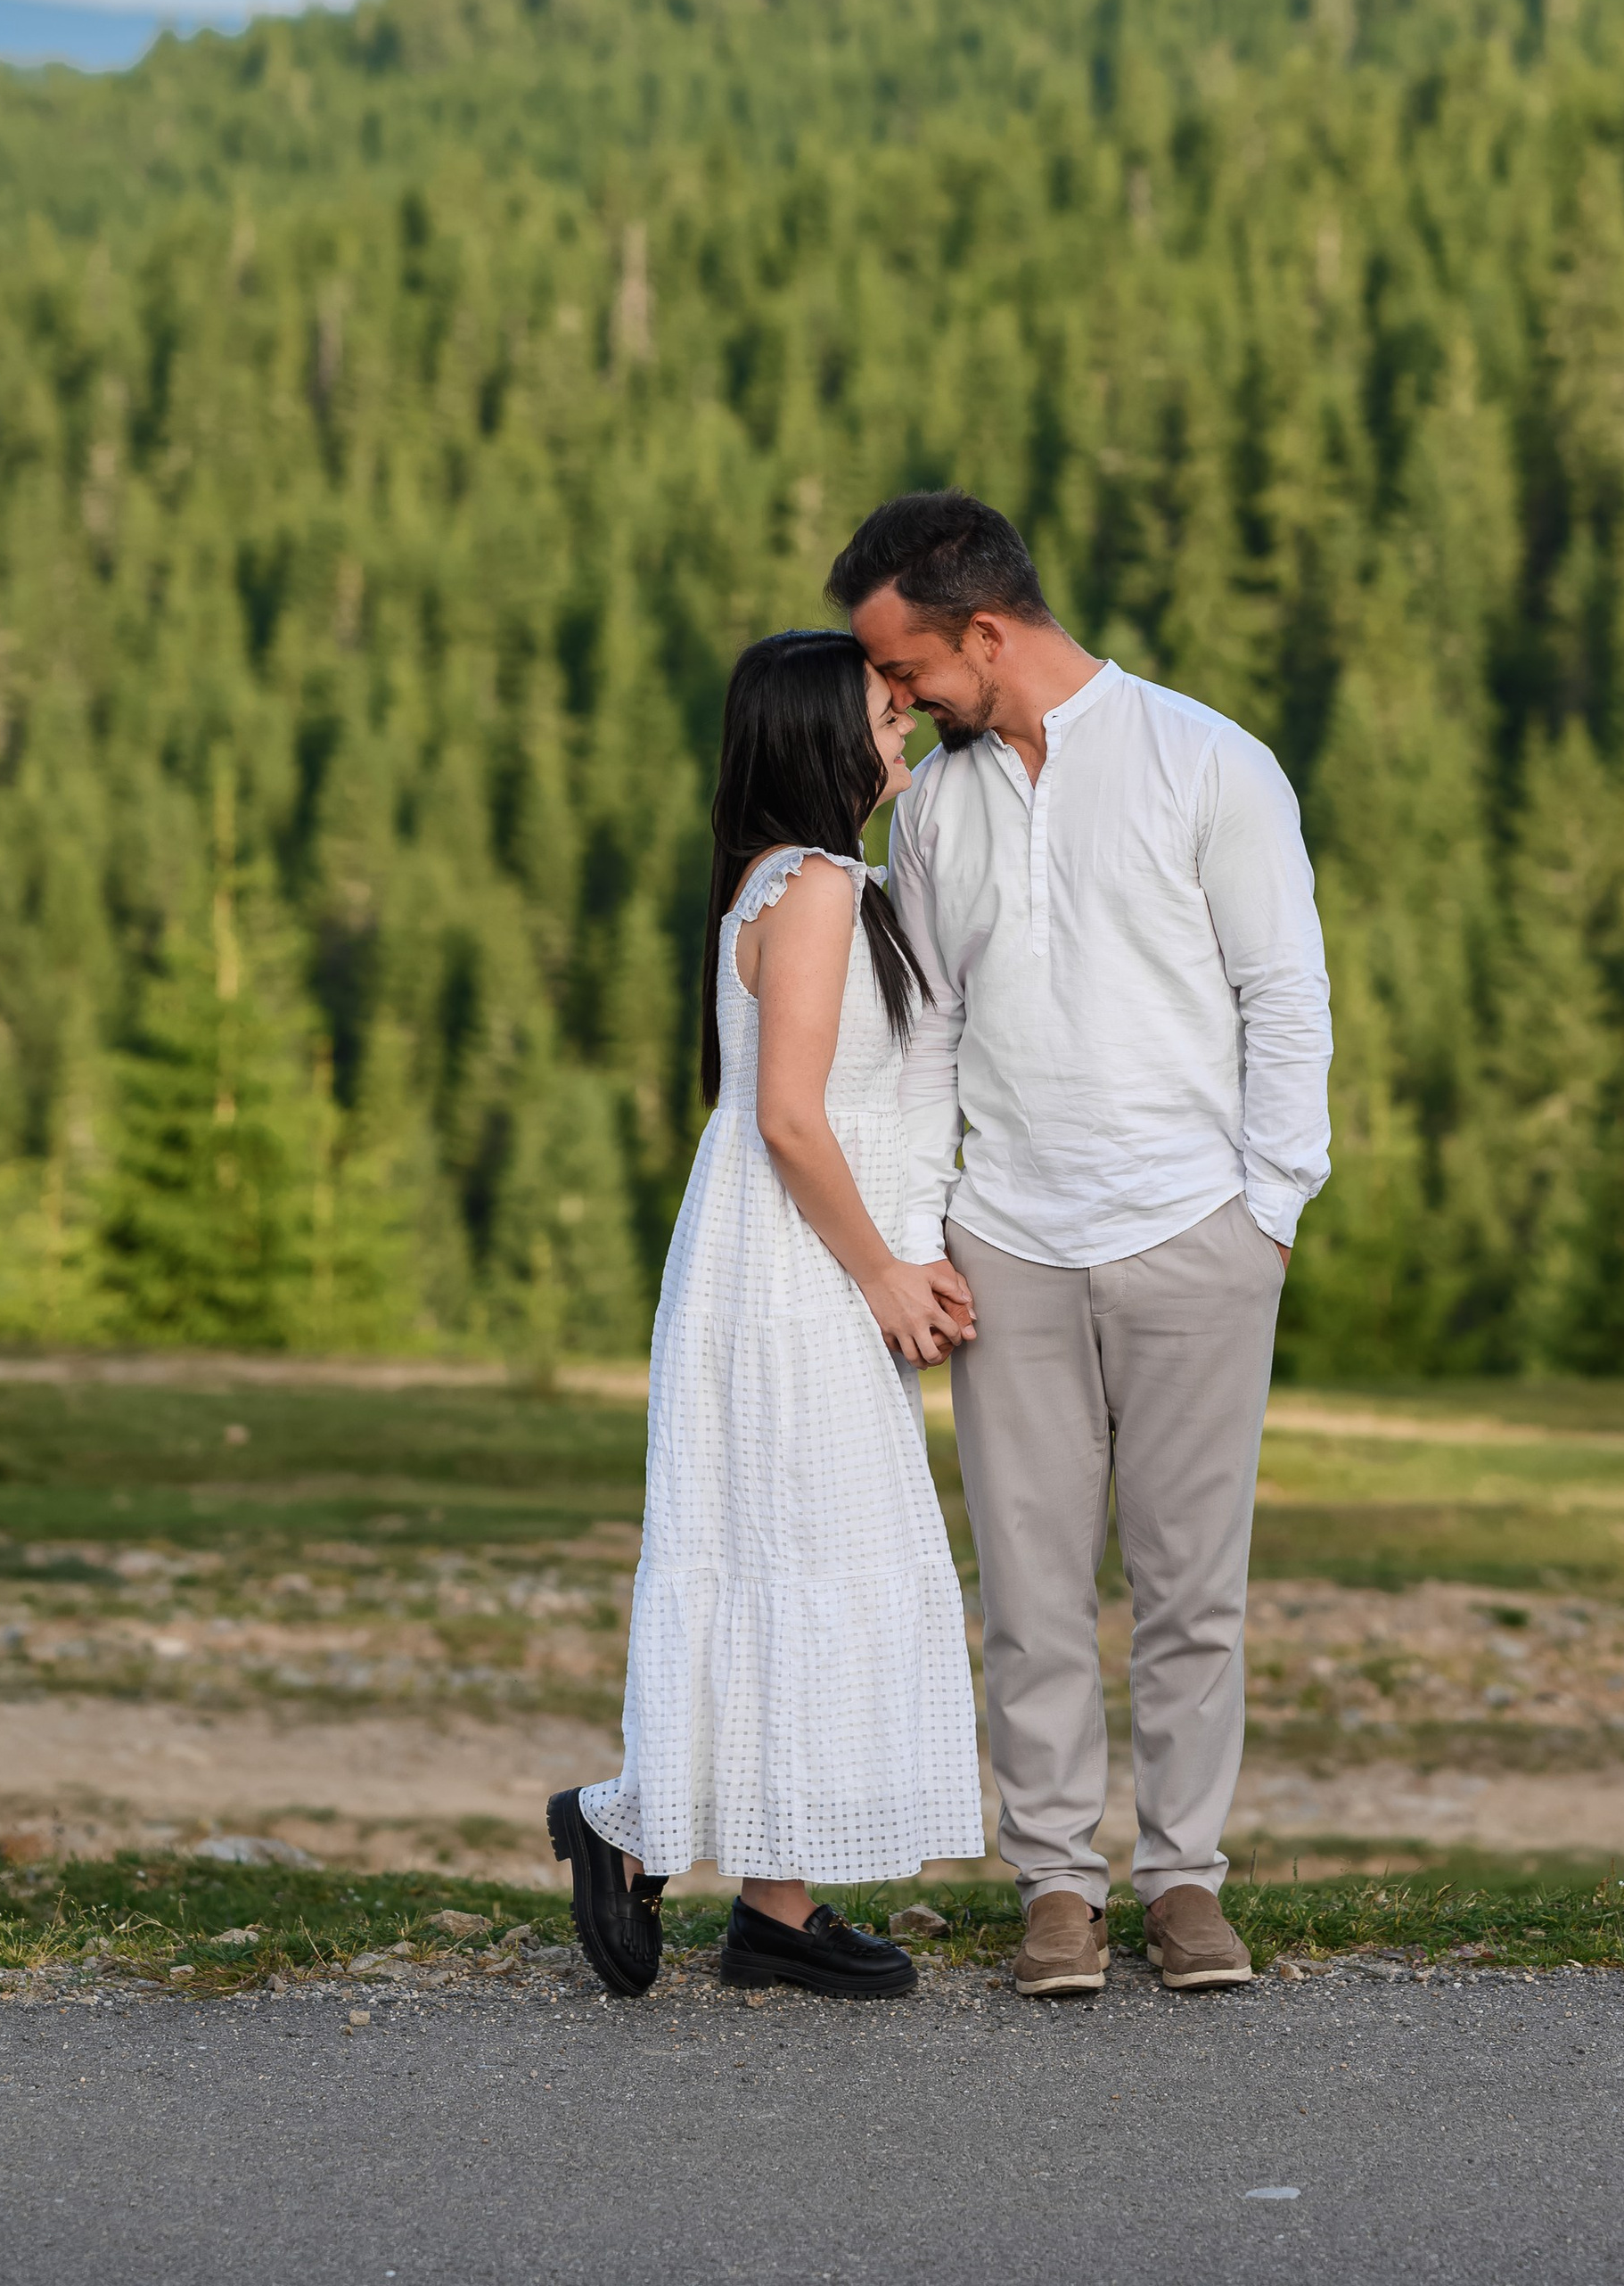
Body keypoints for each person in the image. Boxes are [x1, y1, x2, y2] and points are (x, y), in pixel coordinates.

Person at [830, 492, 1333, 1999]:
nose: (896, 703)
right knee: (1033, 1588)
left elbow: (1286, 1001)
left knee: (1195, 1590)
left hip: (1198, 1233)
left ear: (986, 632)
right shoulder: (934, 809)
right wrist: (919, 1239)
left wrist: (1269, 1215)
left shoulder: (1209, 762)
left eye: (906, 668)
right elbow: (928, 1042)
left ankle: (1186, 1880)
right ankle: (1057, 1884)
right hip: (1011, 1247)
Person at [548, 629, 984, 1999]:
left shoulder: (792, 879)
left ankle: (773, 1901)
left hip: (776, 1247)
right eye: (881, 703)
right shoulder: (807, 890)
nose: (903, 713)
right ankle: (625, 1827)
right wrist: (883, 1272)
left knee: (792, 1544)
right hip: (800, 1258)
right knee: (800, 1545)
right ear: (815, 734)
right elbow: (794, 1116)